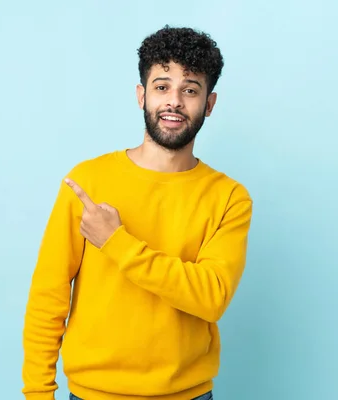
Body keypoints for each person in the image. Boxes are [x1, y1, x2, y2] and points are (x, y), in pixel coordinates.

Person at [22, 25, 253, 400]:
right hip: (92, 394)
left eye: (189, 90)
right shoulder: (89, 182)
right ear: (141, 95)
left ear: (209, 104)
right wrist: (37, 393)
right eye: (162, 87)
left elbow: (211, 298)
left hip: (188, 395)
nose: (174, 101)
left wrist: (116, 242)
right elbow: (48, 297)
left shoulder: (229, 198)